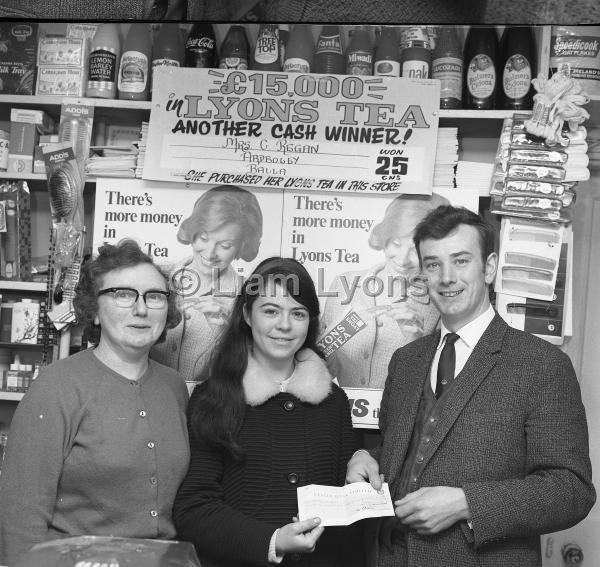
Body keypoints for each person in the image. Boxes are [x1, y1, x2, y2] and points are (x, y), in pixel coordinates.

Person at [346, 205, 595, 566]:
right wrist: (368, 460)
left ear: (489, 267)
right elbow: (409, 452)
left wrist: (466, 503)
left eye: (460, 261)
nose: (447, 277)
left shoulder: (542, 364)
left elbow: (571, 490)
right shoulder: (406, 361)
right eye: (433, 264)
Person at [0, 240, 190, 567]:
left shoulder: (174, 386)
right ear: (94, 311)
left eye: (154, 296)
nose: (141, 309)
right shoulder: (57, 386)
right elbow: (21, 513)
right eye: (122, 294)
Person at [173, 257, 360, 567]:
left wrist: (362, 466)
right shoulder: (214, 398)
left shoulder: (333, 400)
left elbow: (346, 507)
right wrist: (272, 541)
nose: (284, 325)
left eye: (297, 313)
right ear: (247, 314)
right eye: (270, 311)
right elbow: (192, 509)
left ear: (310, 321)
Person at [320, 194, 447, 390]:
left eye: (415, 250)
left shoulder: (440, 306)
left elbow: (438, 390)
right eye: (396, 243)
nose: (403, 259)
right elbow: (323, 372)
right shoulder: (344, 284)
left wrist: (417, 345)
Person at [151, 185, 263, 381]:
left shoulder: (251, 297)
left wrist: (228, 331)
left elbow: (259, 372)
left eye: (225, 245)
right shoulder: (153, 278)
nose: (210, 253)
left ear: (241, 247)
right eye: (204, 238)